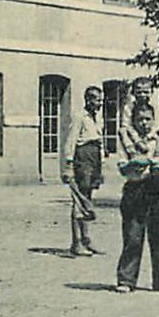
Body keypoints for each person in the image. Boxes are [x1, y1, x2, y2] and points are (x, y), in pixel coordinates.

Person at [115, 100, 159, 294]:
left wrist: (150, 160)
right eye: (140, 119)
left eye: (148, 119)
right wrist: (133, 163)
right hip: (135, 188)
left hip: (157, 187)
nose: (144, 123)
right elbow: (122, 166)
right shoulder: (126, 138)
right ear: (133, 120)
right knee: (133, 235)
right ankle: (126, 279)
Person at [61, 87, 106, 256]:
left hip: (94, 159)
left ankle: (86, 239)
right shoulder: (79, 116)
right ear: (88, 99)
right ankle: (76, 243)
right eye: (96, 100)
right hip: (82, 158)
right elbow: (71, 141)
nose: (99, 104)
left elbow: (99, 141)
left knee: (87, 199)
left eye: (101, 100)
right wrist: (69, 166)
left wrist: (101, 163)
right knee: (79, 200)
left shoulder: (96, 119)